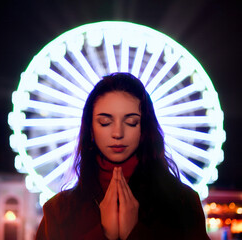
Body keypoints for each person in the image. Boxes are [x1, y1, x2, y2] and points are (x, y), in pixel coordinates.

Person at [35, 72, 210, 240]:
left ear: (144, 130)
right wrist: (104, 233)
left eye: (131, 122)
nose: (118, 133)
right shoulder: (57, 211)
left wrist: (134, 234)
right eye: (105, 122)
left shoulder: (183, 204)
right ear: (90, 130)